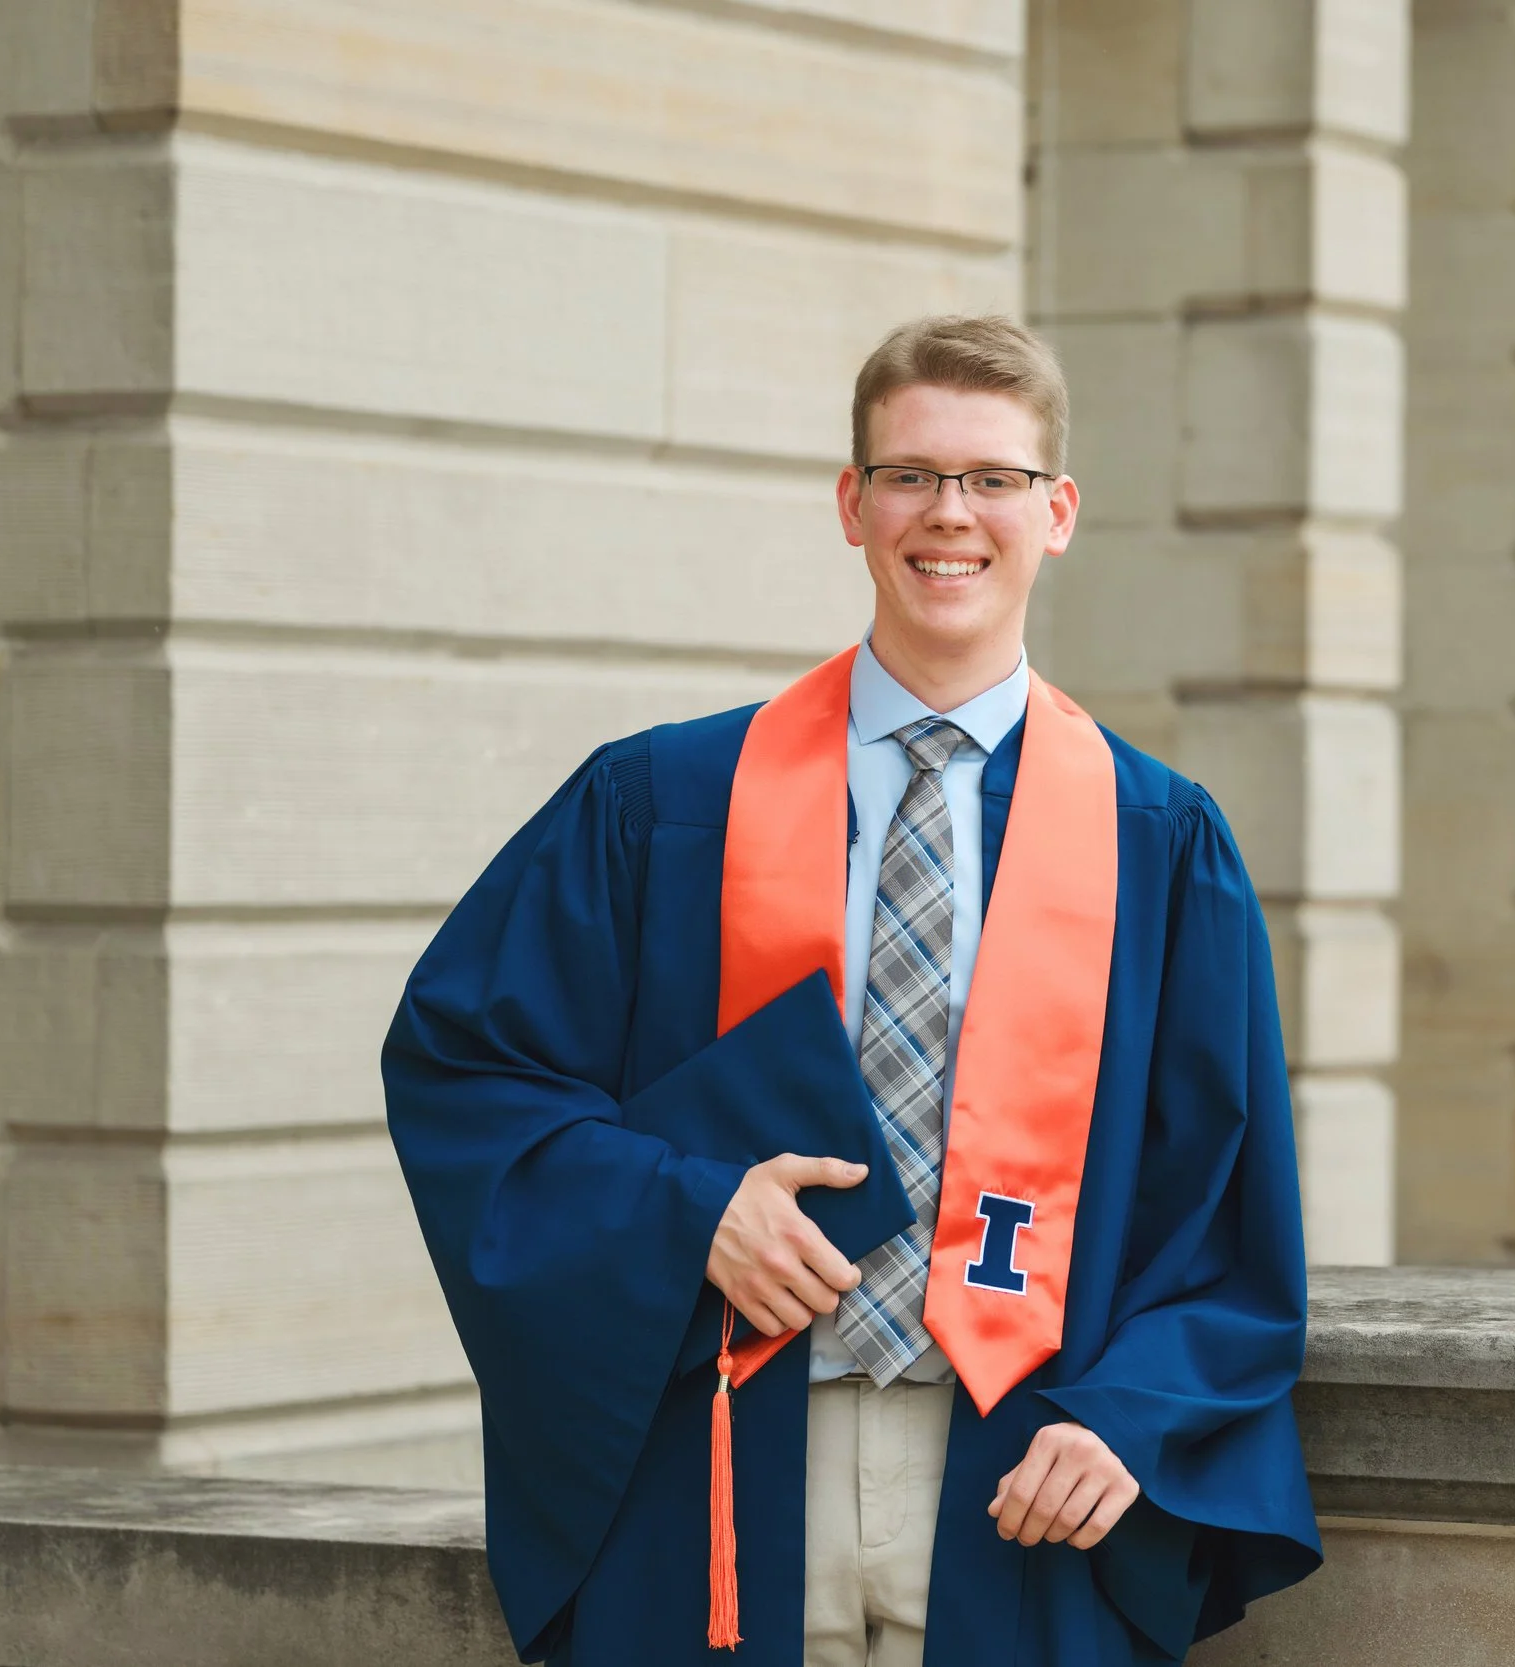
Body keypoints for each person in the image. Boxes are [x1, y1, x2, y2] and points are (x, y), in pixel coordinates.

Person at [383, 315, 1319, 1667]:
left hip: (1014, 1471)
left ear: (1056, 514)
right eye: (912, 475)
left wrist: (1132, 1414)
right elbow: (465, 1067)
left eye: (994, 478)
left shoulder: (1157, 842)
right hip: (734, 1456)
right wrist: (687, 1209)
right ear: (853, 503)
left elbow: (1224, 1206)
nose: (952, 514)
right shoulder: (665, 805)